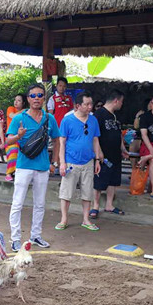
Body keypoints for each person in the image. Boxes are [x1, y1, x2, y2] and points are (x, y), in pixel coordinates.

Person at [7, 83, 61, 252]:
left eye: (40, 95)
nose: (36, 98)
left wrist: (54, 163)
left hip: (43, 166)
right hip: (24, 166)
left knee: (40, 204)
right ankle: (15, 239)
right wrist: (18, 136)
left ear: (44, 98)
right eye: (33, 96)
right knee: (17, 203)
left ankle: (35, 235)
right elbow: (7, 141)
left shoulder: (49, 118)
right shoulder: (18, 118)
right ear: (28, 99)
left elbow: (57, 140)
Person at [57, 91, 102, 231]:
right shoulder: (67, 120)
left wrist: (98, 160)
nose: (90, 107)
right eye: (86, 104)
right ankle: (64, 219)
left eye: (91, 104)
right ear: (77, 106)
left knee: (87, 191)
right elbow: (62, 142)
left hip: (88, 161)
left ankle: (86, 219)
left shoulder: (93, 120)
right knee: (66, 192)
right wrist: (62, 162)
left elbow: (95, 140)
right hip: (71, 161)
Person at [91, 89, 129, 218]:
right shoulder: (98, 115)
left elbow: (118, 134)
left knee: (113, 179)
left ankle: (109, 205)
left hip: (115, 153)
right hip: (103, 154)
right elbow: (94, 136)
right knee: (99, 179)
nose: (122, 104)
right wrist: (99, 153)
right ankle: (95, 205)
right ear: (116, 101)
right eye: (121, 102)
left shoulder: (115, 116)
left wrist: (123, 148)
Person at [4, 94, 27, 182]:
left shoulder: (26, 113)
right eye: (15, 100)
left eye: (19, 101)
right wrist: (23, 111)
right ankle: (9, 173)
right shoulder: (10, 108)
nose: (16, 102)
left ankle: (20, 172)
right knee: (13, 150)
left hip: (22, 138)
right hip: (11, 138)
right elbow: (12, 116)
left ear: (23, 103)